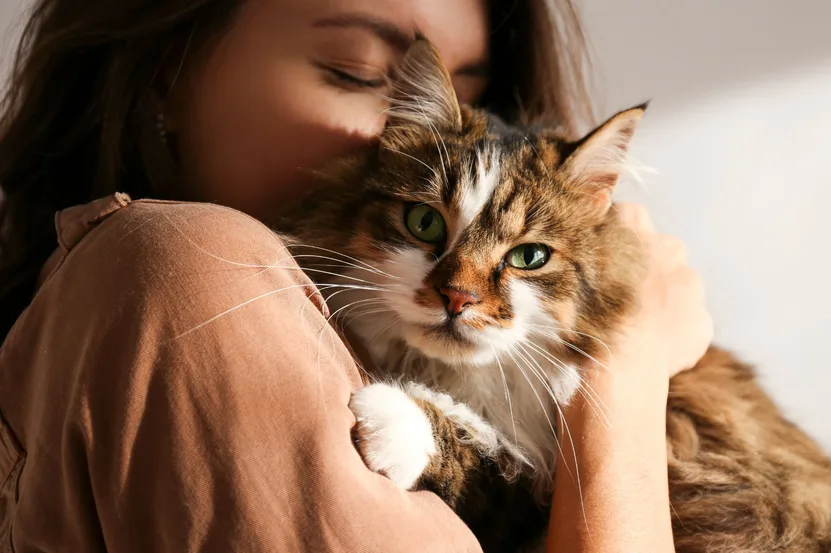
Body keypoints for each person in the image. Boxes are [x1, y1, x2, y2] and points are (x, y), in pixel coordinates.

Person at [0, 0, 713, 551]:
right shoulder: (192, 268)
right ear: (165, 67)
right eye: (362, 74)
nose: (413, 137)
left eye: (472, 94)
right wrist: (626, 371)